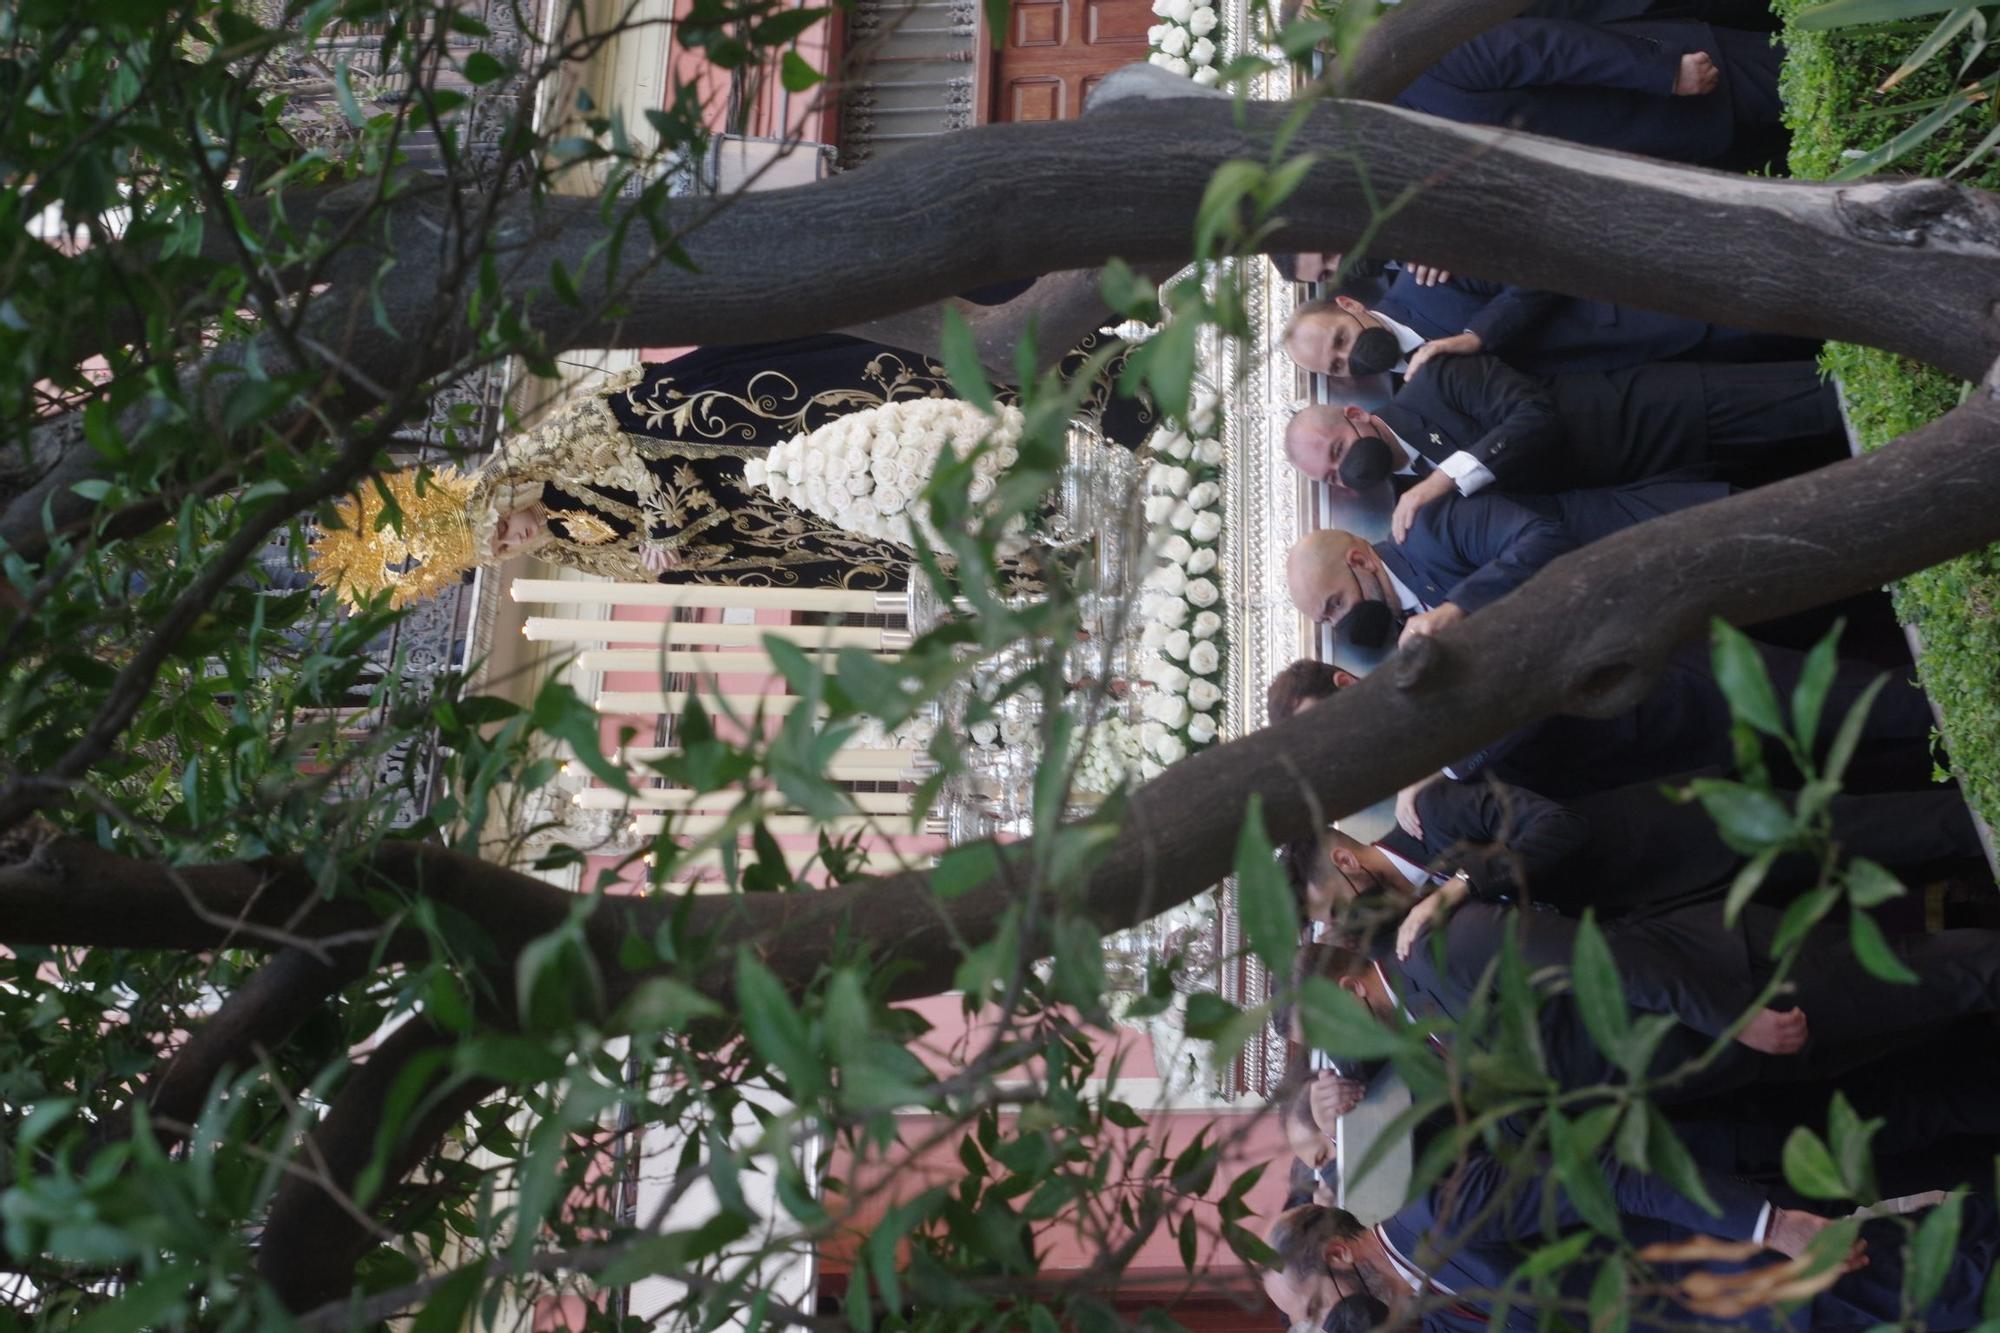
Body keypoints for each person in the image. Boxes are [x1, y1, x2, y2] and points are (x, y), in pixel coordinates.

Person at [1264, 1162, 2000, 1330]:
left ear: (1337, 1257)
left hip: (1744, 1265)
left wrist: (1769, 1226)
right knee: (1952, 1252)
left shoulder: (1439, 1211)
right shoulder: (1426, 1317)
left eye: (1309, 1312)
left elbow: (1606, 1172)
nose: (1316, 1330)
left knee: (1951, 1281)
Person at [1282, 354, 1841, 540]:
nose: (1344, 472)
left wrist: (1445, 477)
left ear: (1355, 414)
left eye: (1336, 452)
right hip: (1647, 502)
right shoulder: (1420, 515)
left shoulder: (1433, 382)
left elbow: (1535, 417)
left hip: (1651, 419)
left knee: (1820, 402)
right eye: (1331, 477)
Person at [1284, 485, 1727, 649]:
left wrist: (1457, 608)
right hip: (1652, 626)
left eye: (1337, 603)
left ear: (1359, 560)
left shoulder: (1427, 529)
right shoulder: (1408, 632)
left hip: (1656, 543)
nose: (1343, 622)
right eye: (1328, 620)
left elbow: (1544, 538)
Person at [1393, 17, 1787, 171]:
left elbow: (1549, 47)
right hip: (1683, 151)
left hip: (1695, 82)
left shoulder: (1421, 66)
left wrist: (1665, 71)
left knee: (1823, 84)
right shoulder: (1406, 144)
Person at [1278, 279, 1818, 382]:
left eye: (1342, 341)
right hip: (1651, 391)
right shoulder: (1415, 399)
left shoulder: (1425, 279)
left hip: (1640, 314)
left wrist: (1478, 336)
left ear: (1351, 305)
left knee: (1794, 317)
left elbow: (1533, 274)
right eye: (1338, 366)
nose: (1351, 357)